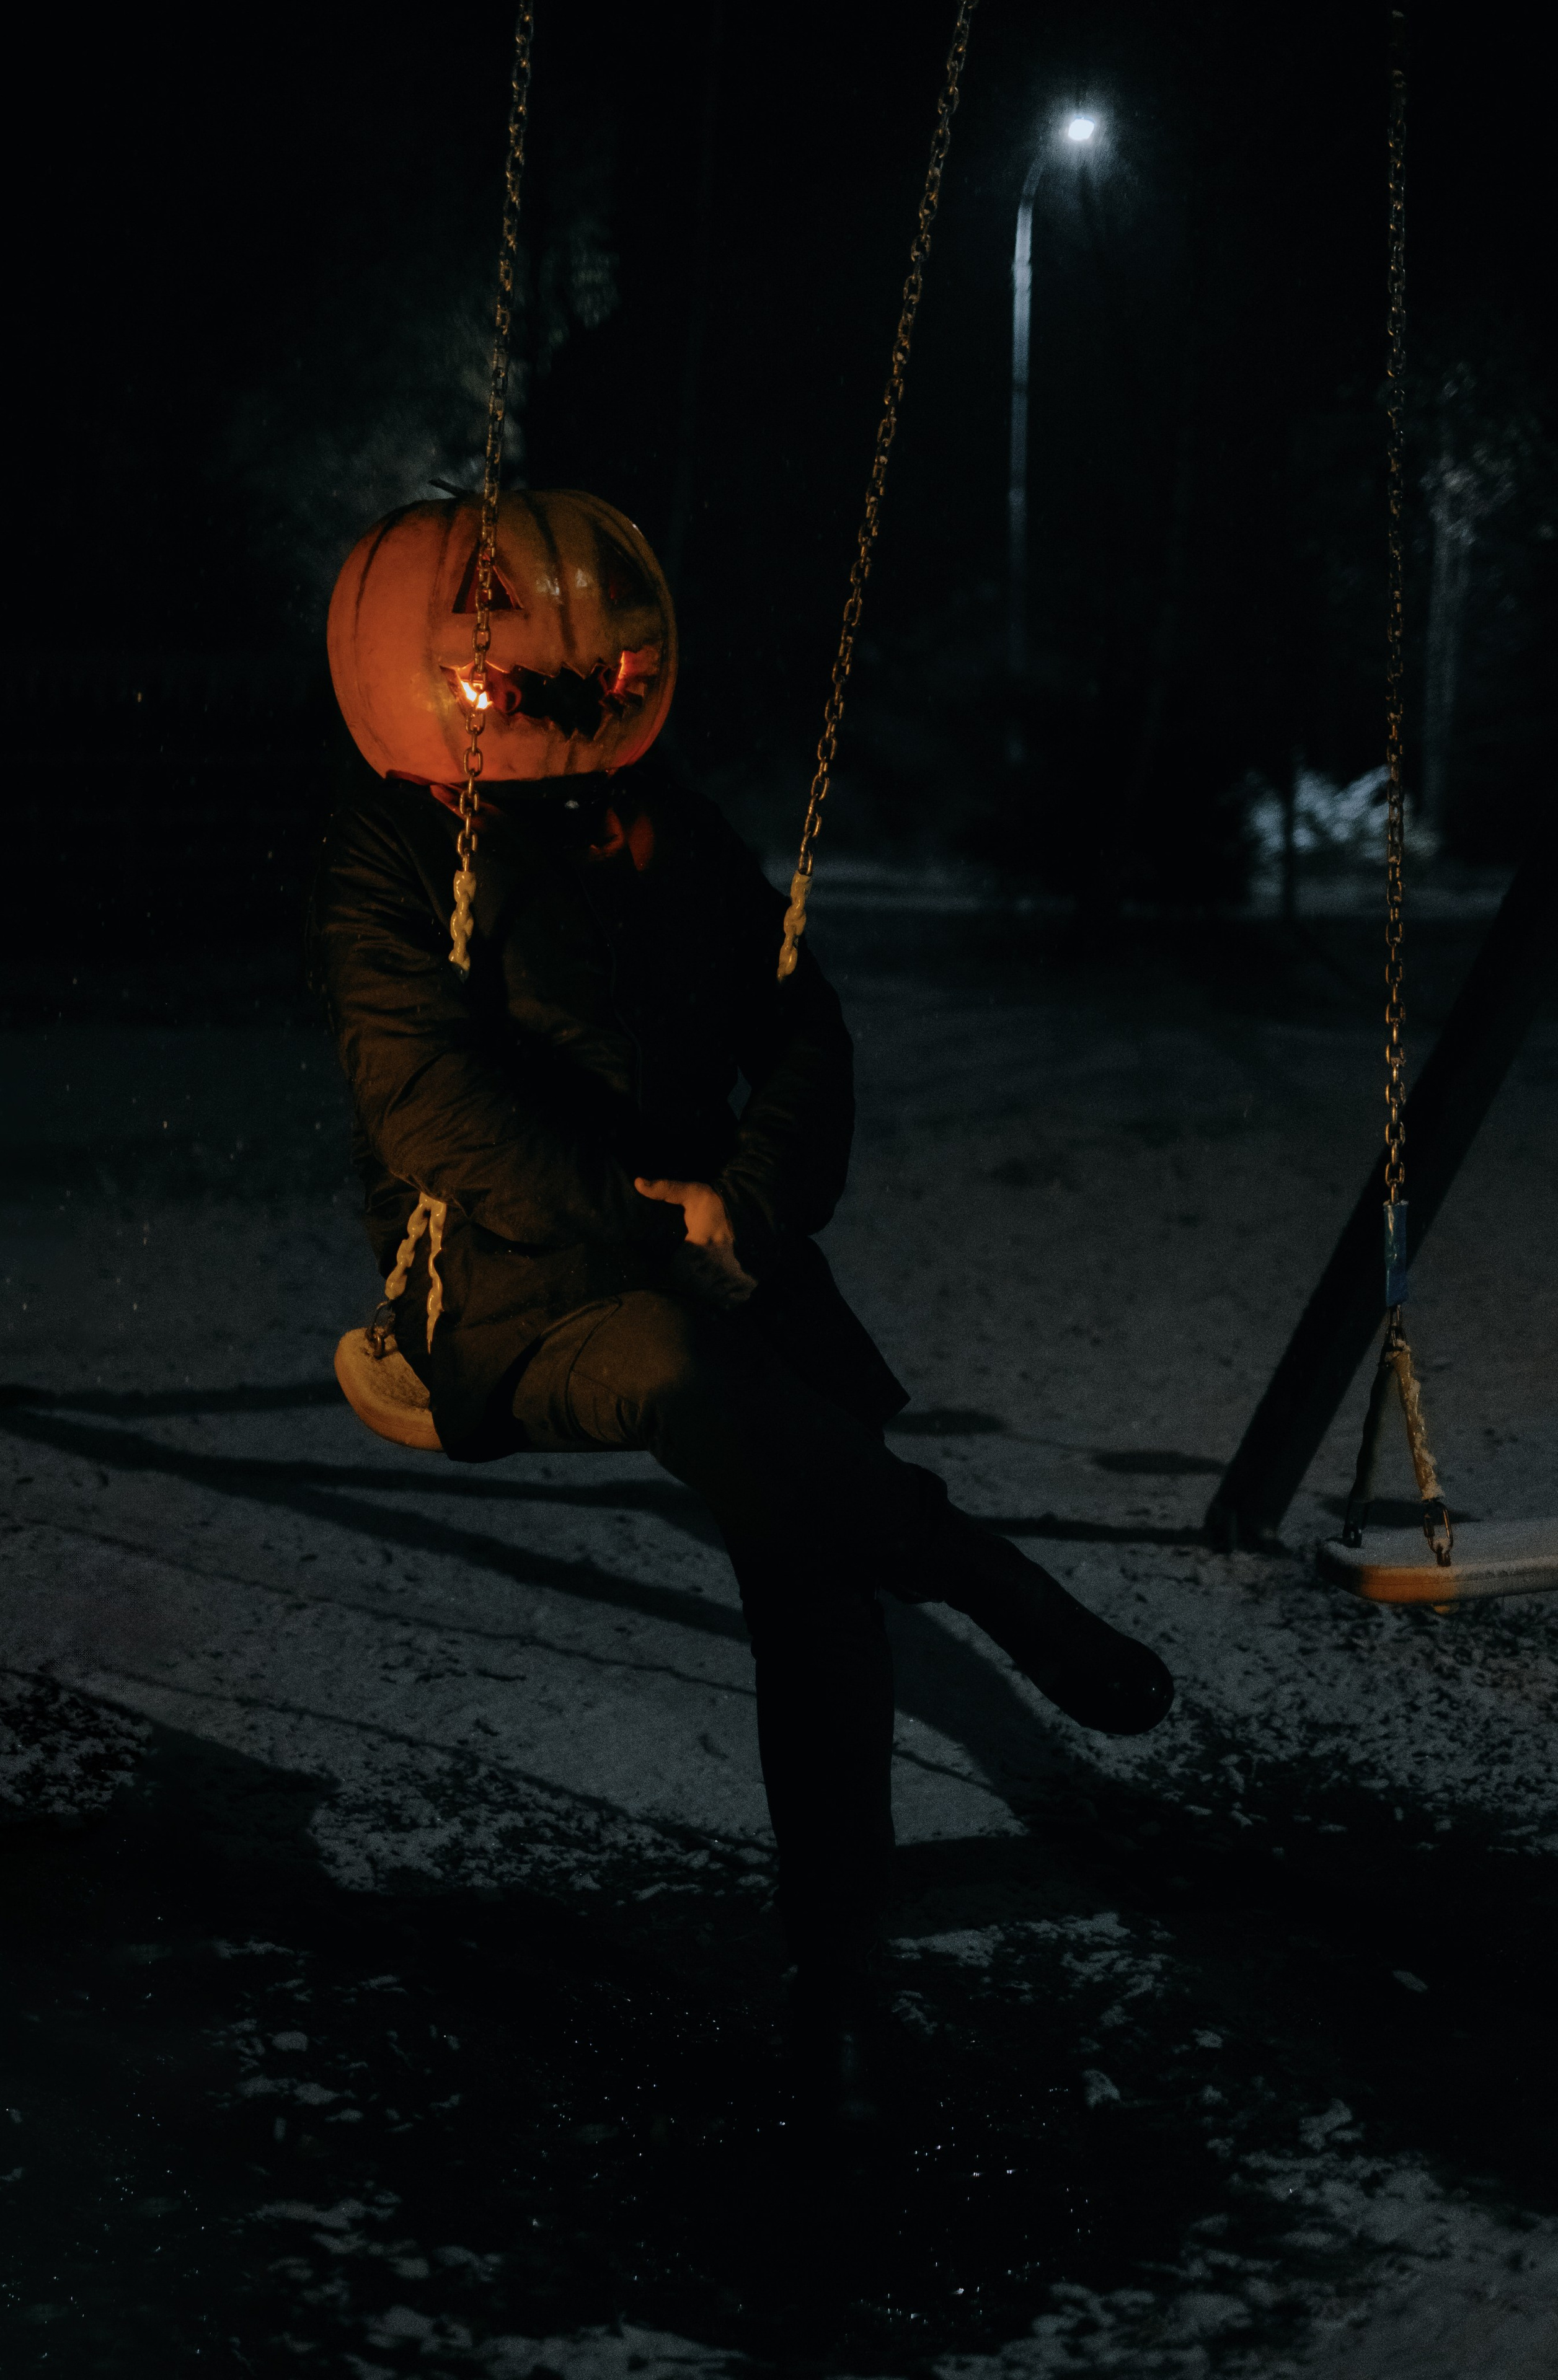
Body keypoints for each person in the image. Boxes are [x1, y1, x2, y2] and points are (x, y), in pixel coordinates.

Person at [311, 490, 1172, 2110]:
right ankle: (986, 1573)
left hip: (724, 1261)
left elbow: (802, 1039)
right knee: (695, 1378)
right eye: (504, 667)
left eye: (604, 644)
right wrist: (664, 1221)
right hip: (519, 1287)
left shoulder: (671, 821)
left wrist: (751, 1204)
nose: (569, 682)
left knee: (811, 1556)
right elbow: (429, 1104)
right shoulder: (395, 846)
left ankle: (839, 1992)